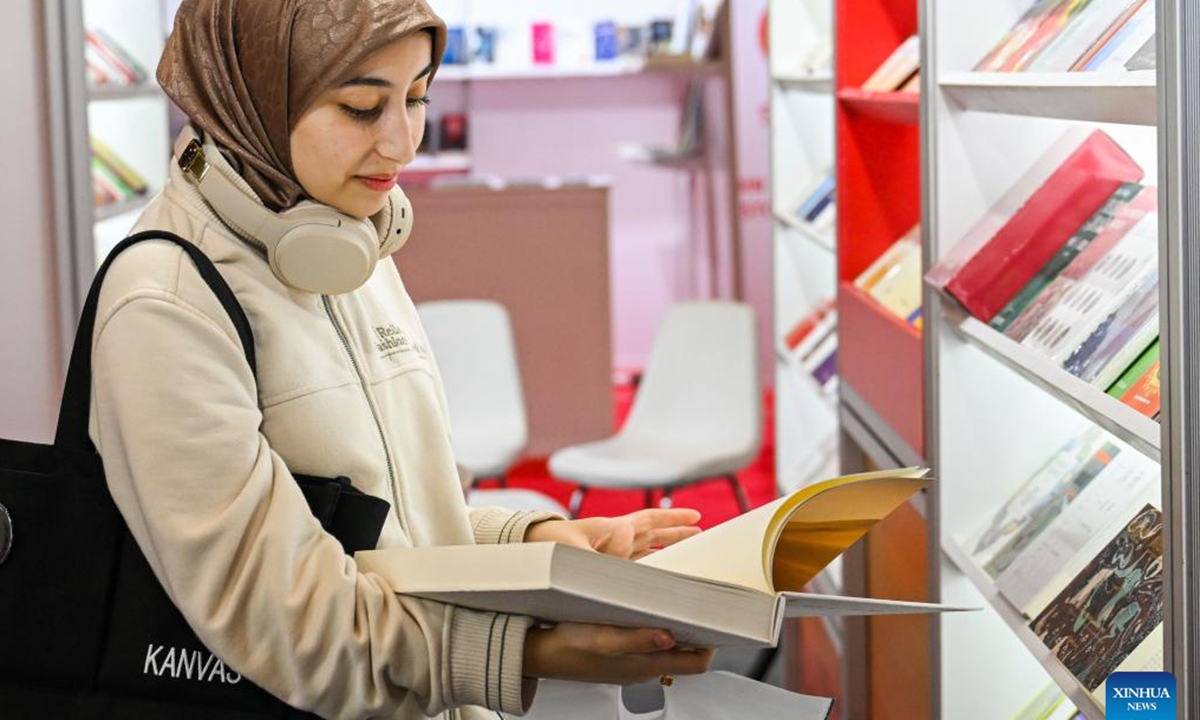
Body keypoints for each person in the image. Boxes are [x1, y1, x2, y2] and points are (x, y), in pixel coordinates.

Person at [89, 1, 714, 718]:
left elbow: (387, 520)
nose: (402, 144)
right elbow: (286, 618)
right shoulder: (166, 306)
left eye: (417, 98)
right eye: (361, 107)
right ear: (250, 93)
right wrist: (523, 651)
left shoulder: (344, 241)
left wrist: (534, 541)